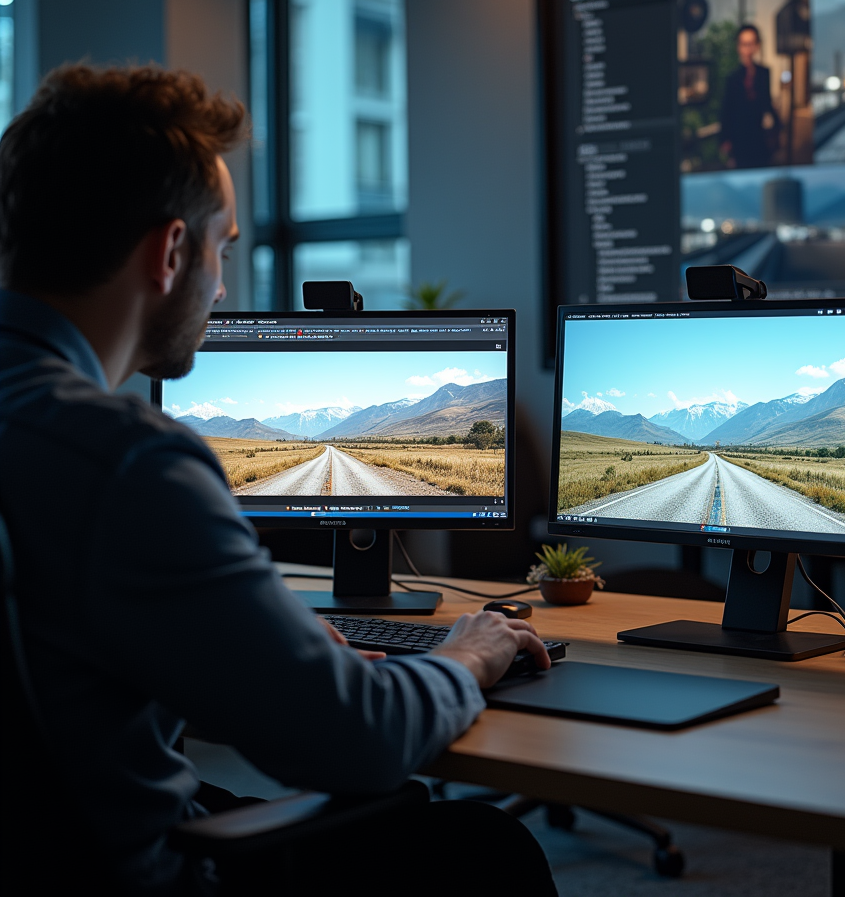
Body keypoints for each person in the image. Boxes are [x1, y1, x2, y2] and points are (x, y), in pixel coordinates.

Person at [0, 66, 557, 896]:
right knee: (485, 851)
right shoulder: (127, 461)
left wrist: (253, 647)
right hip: (139, 870)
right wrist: (471, 652)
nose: (221, 285)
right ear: (170, 252)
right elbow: (355, 741)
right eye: (222, 250)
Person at [718, 23, 779, 169]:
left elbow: (767, 102)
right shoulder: (732, 78)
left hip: (759, 138)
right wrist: (725, 141)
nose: (748, 49)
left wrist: (778, 127)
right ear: (738, 47)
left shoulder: (764, 73)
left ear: (757, 46)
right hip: (739, 139)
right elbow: (727, 110)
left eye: (751, 44)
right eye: (744, 44)